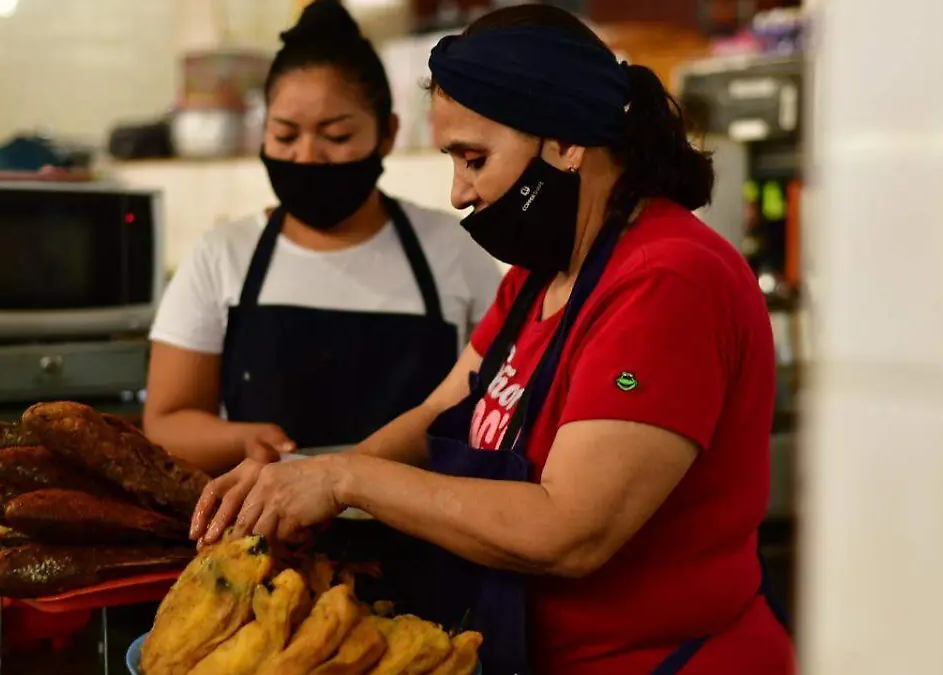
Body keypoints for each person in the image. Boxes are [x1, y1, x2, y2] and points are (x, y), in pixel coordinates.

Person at [192, 4, 794, 675]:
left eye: (474, 159)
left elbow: (569, 530)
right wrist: (302, 487)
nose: (458, 193)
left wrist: (345, 478)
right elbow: (438, 413)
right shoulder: (538, 279)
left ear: (566, 142)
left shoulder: (667, 282)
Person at [144, 0, 502, 475]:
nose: (308, 156)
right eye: (285, 136)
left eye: (336, 136)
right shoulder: (222, 256)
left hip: (421, 515)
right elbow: (167, 421)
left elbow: (499, 407)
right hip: (263, 517)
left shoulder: (453, 251)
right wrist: (242, 440)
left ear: (387, 134)